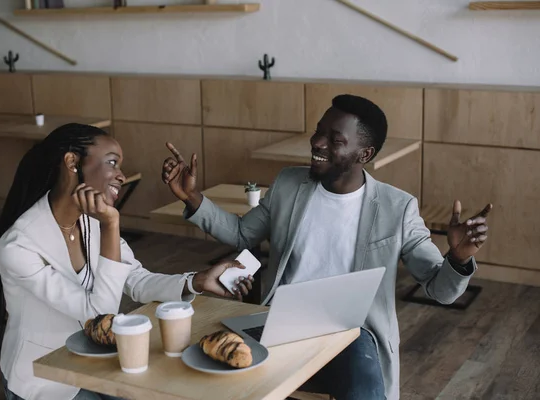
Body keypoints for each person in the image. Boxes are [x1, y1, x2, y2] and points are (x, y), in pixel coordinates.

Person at [160, 94, 492, 400]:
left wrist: (459, 258)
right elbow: (243, 233)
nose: (317, 142)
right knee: (200, 368)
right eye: (319, 131)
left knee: (362, 380)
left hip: (353, 334)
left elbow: (439, 289)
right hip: (279, 323)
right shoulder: (290, 183)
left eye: (335, 140)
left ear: (365, 154)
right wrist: (192, 197)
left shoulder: (397, 208)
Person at [0, 123, 253, 400]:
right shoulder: (19, 245)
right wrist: (111, 225)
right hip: (47, 376)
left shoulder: (90, 220)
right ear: (72, 161)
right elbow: (99, 310)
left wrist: (196, 280)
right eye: (112, 162)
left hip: (100, 362)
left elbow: (135, 280)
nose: (121, 176)